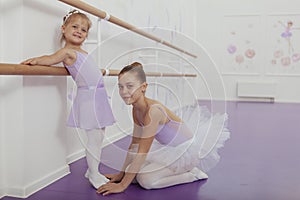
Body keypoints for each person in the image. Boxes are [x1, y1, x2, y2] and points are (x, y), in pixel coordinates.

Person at [97, 62, 230, 196]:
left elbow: (142, 152)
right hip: (168, 150)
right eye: (121, 87)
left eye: (129, 86)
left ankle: (193, 174)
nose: (124, 92)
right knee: (132, 173)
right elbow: (135, 145)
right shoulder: (136, 109)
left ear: (143, 87)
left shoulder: (153, 111)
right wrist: (121, 174)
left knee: (145, 180)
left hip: (185, 153)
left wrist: (122, 185)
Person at [21, 10, 115, 189]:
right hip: (89, 99)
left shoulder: (83, 52)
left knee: (100, 136)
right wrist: (36, 61)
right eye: (75, 27)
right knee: (94, 139)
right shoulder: (67, 52)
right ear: (64, 29)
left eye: (84, 29)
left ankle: (92, 170)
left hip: (99, 97)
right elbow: (50, 59)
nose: (79, 31)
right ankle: (94, 174)